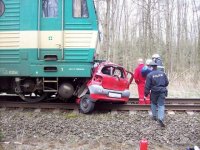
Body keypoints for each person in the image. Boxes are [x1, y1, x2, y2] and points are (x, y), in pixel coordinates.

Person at [144, 61, 169, 127]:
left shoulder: (149, 75)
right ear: (156, 67)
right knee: (161, 105)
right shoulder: (163, 73)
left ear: (151, 67)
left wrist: (146, 94)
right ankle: (160, 118)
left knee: (153, 103)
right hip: (162, 91)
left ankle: (154, 116)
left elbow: (147, 86)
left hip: (154, 92)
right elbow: (167, 83)